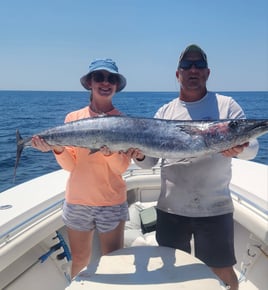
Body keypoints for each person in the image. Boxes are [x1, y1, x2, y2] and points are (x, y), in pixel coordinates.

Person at [134, 45, 259, 290]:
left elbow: (252, 147)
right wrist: (138, 155)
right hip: (171, 209)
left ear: (208, 72)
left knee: (222, 273)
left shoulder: (227, 106)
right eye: (187, 66)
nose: (193, 70)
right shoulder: (165, 111)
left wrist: (240, 148)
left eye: (199, 65)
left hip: (215, 208)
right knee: (171, 273)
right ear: (177, 74)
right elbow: (149, 161)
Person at [31, 58, 140, 278]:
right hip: (78, 201)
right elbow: (72, 167)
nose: (105, 82)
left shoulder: (125, 122)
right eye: (99, 77)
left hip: (111, 201)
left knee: (114, 262)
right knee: (80, 260)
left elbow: (120, 168)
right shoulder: (73, 119)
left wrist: (108, 153)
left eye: (111, 78)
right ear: (90, 82)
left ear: (117, 85)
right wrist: (58, 149)